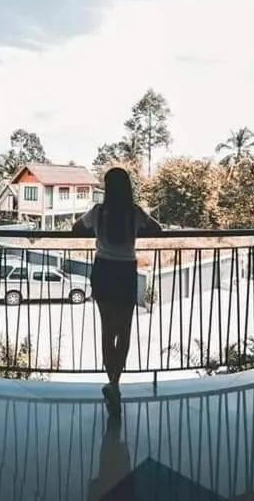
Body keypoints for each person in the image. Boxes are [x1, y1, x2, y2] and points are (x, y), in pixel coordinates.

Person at [73, 167, 161, 417]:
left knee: (106, 329)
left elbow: (75, 228)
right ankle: (115, 384)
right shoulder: (134, 213)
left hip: (103, 271)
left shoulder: (98, 212)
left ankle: (111, 381)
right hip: (125, 273)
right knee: (124, 331)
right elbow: (158, 228)